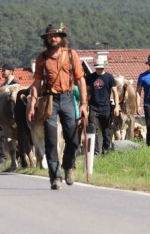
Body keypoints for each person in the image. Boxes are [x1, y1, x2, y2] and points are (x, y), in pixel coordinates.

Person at [26, 23, 87, 190]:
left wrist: (83, 104)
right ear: (46, 39)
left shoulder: (71, 55)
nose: (53, 38)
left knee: (73, 138)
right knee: (51, 140)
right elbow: (36, 83)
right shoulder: (42, 58)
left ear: (62, 38)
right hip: (49, 101)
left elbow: (81, 80)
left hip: (67, 98)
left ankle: (68, 166)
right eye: (50, 36)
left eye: (57, 35)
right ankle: (55, 176)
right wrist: (32, 105)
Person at [86, 58, 119, 155]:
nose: (99, 70)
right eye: (97, 68)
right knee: (93, 130)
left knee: (106, 131)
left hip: (106, 108)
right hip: (93, 107)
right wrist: (85, 103)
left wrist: (116, 106)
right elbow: (86, 90)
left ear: (103, 67)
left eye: (100, 68)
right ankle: (95, 152)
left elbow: (115, 92)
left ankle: (106, 151)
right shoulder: (90, 77)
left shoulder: (109, 77)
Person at [0, 62, 19, 165]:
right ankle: (1, 160)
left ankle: (18, 159)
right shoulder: (2, 86)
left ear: (11, 71)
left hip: (13, 117)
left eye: (4, 70)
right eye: (2, 70)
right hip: (3, 118)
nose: (2, 72)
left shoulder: (16, 85)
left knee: (16, 137)